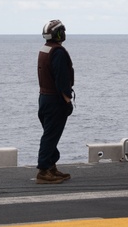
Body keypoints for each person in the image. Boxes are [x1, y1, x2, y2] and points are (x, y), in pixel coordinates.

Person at [36, 19, 75, 184]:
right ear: (58, 33)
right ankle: (43, 171)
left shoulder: (45, 49)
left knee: (50, 134)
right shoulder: (58, 52)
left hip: (44, 98)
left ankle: (51, 166)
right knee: (50, 136)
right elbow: (61, 78)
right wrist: (67, 100)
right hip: (55, 100)